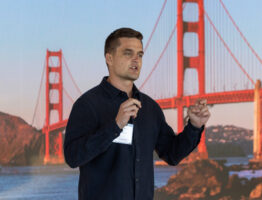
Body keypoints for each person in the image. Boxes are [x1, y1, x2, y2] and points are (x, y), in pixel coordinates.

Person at [64, 27, 210, 200]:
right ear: (109, 58)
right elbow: (73, 158)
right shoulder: (87, 105)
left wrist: (194, 126)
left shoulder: (150, 108)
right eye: (128, 53)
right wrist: (115, 125)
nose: (136, 60)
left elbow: (172, 155)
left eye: (140, 55)